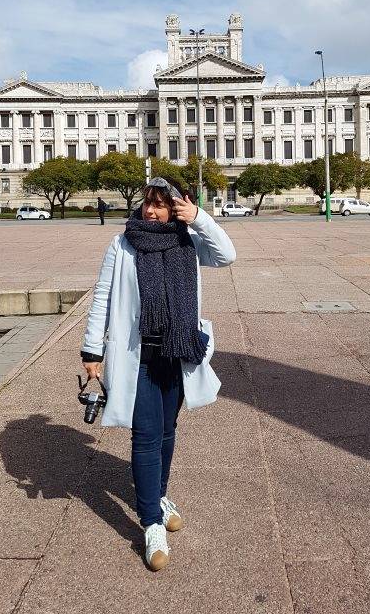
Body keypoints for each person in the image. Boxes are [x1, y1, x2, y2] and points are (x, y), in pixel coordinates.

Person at [80, 177, 236, 571]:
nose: (152, 211)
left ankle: (159, 496)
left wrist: (199, 217)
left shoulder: (189, 241)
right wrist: (91, 350)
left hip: (177, 352)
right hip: (139, 355)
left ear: (175, 208)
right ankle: (150, 522)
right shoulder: (123, 244)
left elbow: (227, 254)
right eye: (148, 203)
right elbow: (102, 296)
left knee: (167, 430)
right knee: (146, 434)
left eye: (161, 205)